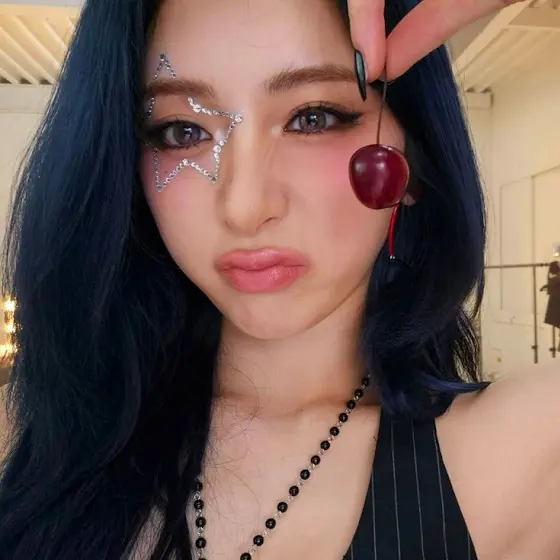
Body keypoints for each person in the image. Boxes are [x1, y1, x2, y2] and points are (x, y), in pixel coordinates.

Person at [0, 0, 558, 559]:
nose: (244, 207)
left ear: (413, 157)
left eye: (314, 118)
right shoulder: (28, 431)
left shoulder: (524, 452)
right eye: (181, 130)